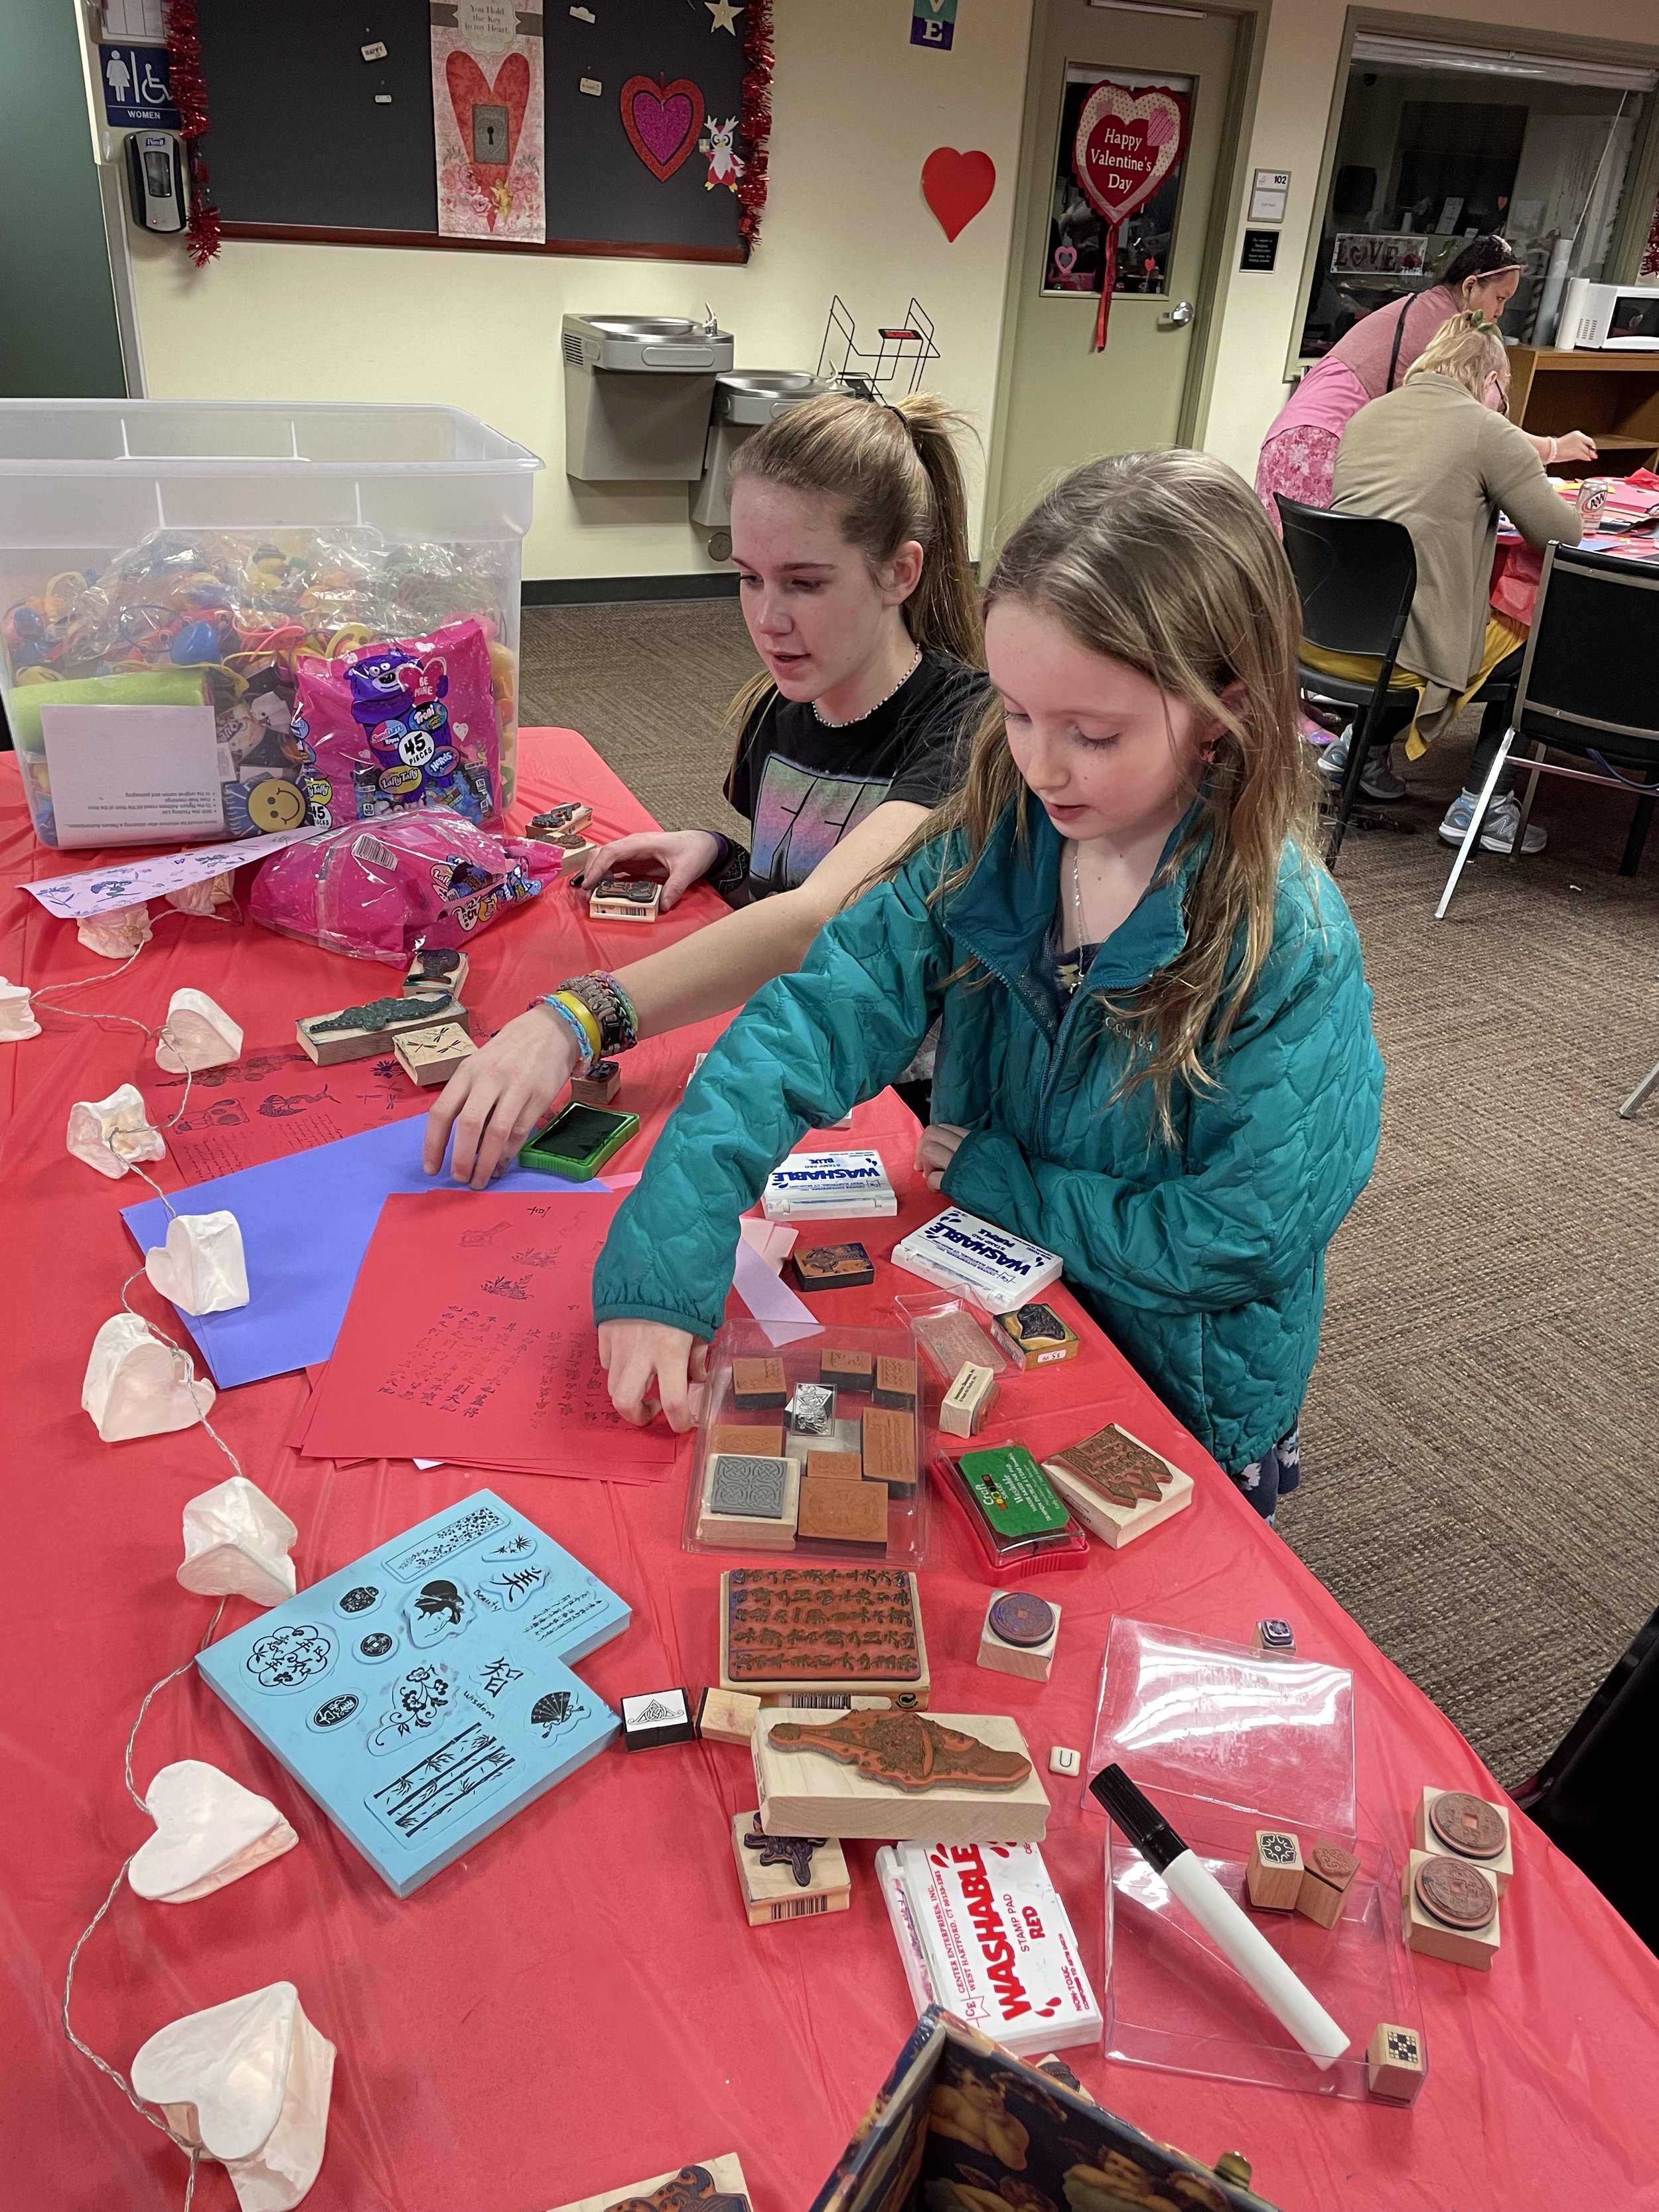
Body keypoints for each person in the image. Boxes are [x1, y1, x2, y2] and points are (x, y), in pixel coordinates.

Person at [589, 449, 1384, 1520]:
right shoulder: (996, 832)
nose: (1041, 765)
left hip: (1177, 1377)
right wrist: (662, 1252)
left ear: (1222, 707)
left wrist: (1006, 1184)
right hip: (995, 1314)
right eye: (1014, 712)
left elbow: (1236, 1238)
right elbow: (807, 1024)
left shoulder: (1284, 939)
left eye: (1092, 733)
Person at [423, 392, 988, 1186]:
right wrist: (721, 854)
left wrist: (575, 1018)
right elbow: (805, 868)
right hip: (785, 1052)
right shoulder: (779, 708)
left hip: (901, 1111)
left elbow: (825, 921)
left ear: (900, 572)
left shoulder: (970, 728)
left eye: (804, 583)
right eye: (749, 579)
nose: (767, 619)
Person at [1308, 313, 1593, 854]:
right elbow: (1562, 535)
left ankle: (1358, 752)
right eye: (1506, 392)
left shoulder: (1371, 414)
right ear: (1490, 381)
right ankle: (1485, 805)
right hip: (1407, 654)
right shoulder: (1488, 428)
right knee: (1545, 638)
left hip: (1330, 639)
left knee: (1407, 604)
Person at [1254, 235, 1596, 537]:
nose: (1500, 312)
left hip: (1302, 435)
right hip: (1317, 441)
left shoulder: (1424, 309)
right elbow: (1475, 425)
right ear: (1470, 286)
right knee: (1313, 570)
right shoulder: (1443, 333)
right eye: (1499, 299)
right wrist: (1552, 448)